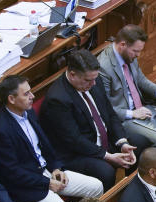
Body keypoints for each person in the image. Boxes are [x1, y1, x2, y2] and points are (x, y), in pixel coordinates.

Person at [0, 75, 104, 202]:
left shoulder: (28, 113)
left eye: (30, 92)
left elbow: (45, 145)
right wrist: (47, 183)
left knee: (96, 187)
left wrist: (57, 167)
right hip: (29, 187)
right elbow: (12, 172)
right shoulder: (0, 129)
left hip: (48, 172)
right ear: (11, 99)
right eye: (26, 94)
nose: (33, 96)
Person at [40, 49, 137, 191]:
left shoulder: (92, 81)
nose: (93, 84)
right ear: (72, 74)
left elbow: (109, 114)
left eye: (94, 78)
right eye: (88, 80)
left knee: (138, 144)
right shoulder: (58, 99)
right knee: (106, 172)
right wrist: (107, 156)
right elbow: (74, 140)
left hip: (103, 141)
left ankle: (130, 192)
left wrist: (122, 142)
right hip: (76, 153)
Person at [97, 25, 156, 151]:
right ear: (122, 44)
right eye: (136, 51)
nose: (138, 55)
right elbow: (105, 108)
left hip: (143, 109)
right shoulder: (103, 67)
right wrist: (133, 113)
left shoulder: (129, 55)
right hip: (125, 120)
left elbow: (141, 80)